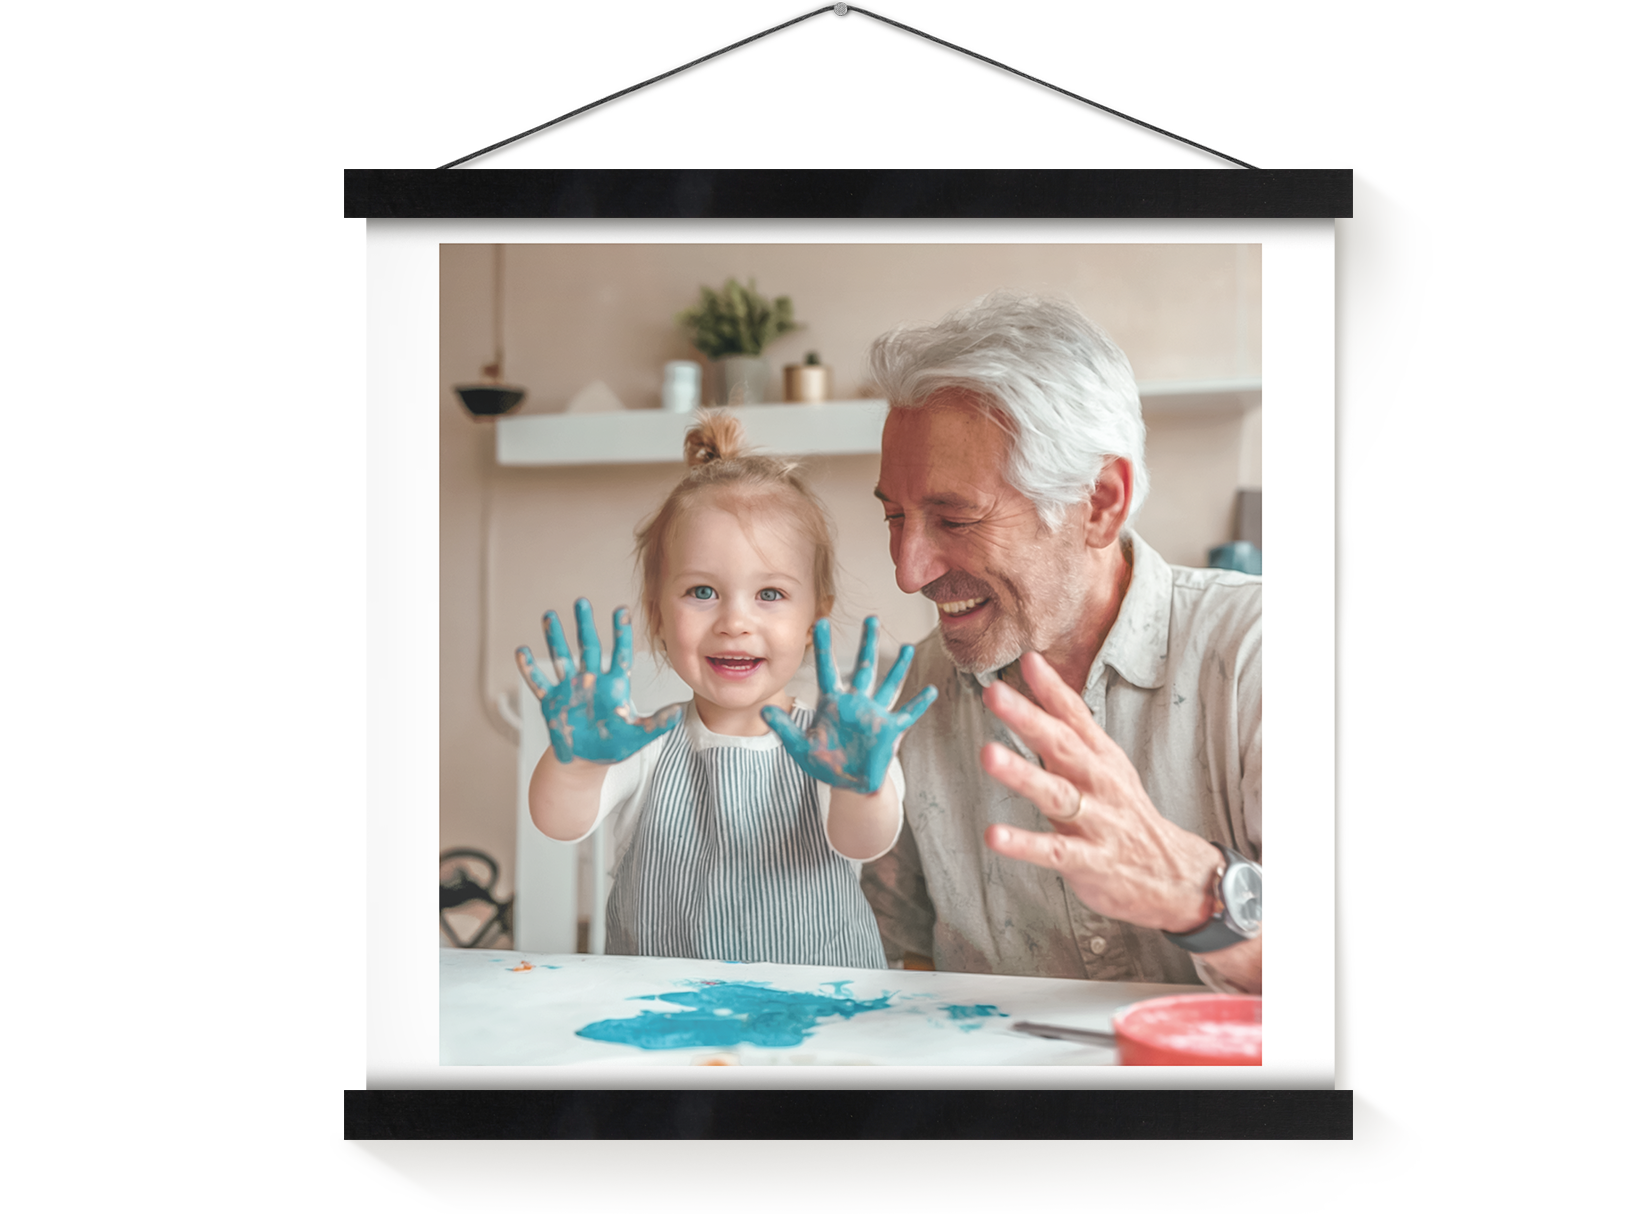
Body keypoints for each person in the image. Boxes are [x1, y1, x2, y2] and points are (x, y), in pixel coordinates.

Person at [859, 293, 1263, 994]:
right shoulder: (911, 694)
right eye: (896, 517)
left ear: (1100, 502)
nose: (909, 571)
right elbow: (891, 961)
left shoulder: (1264, 655)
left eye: (953, 518)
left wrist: (1197, 895)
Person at [520, 411, 935, 967]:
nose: (735, 622)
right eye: (701, 591)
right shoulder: (641, 746)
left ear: (817, 616)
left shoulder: (836, 747)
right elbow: (557, 820)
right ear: (657, 615)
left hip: (819, 1019)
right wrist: (577, 766)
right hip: (661, 1016)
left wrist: (863, 786)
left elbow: (864, 842)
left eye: (770, 595)